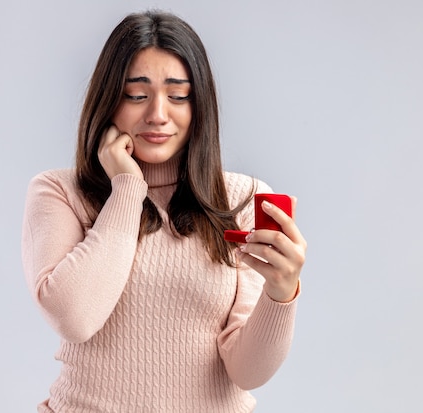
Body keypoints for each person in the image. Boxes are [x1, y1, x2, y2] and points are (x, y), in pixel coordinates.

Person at [22, 10, 307, 413]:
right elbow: (75, 318)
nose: (158, 114)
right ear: (108, 101)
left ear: (199, 105)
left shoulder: (242, 199)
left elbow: (247, 372)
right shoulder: (60, 192)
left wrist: (282, 294)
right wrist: (126, 188)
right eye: (137, 95)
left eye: (178, 96)